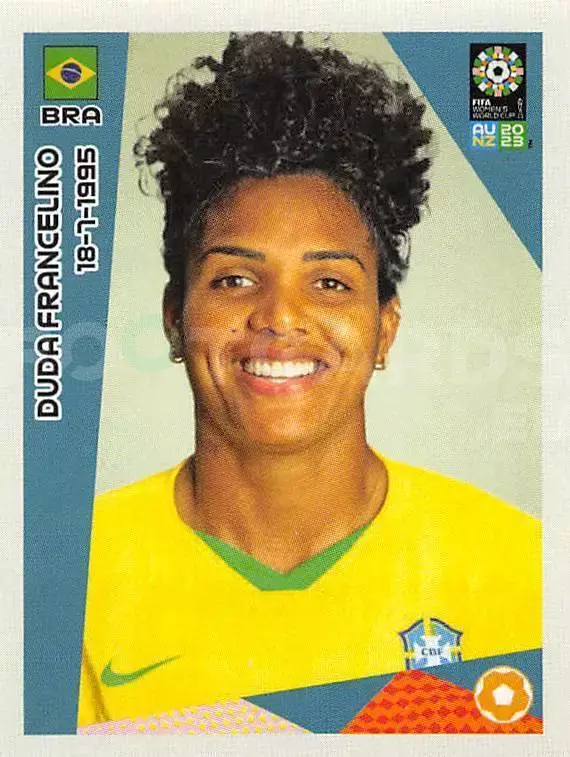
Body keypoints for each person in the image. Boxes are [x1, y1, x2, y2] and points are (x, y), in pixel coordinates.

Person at [78, 32, 541, 728]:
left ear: (384, 327)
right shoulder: (65, 576)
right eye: (234, 279)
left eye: (329, 282)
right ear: (176, 317)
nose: (280, 317)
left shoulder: (523, 567)